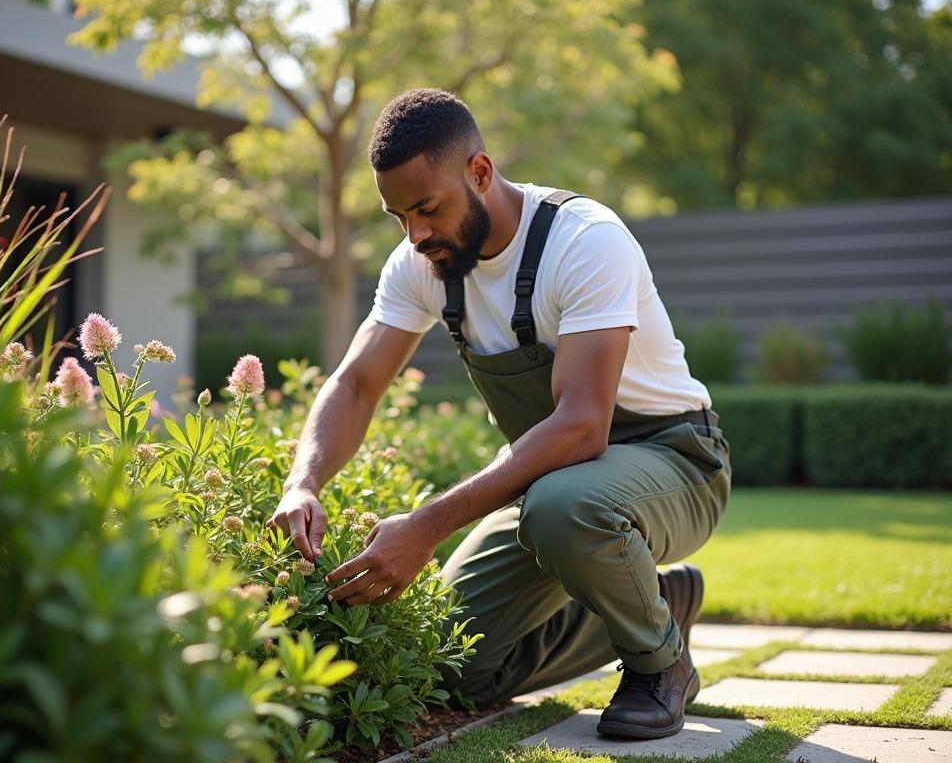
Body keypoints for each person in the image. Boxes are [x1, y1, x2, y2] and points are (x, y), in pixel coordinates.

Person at [268, 87, 731, 740]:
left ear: (480, 173)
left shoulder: (585, 242)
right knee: (458, 662)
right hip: (555, 478)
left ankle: (660, 667)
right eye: (398, 216)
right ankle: (658, 604)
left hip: (677, 462)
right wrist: (302, 481)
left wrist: (426, 527)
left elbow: (581, 424)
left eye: (427, 208)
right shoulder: (421, 264)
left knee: (564, 509)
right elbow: (355, 386)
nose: (415, 233)